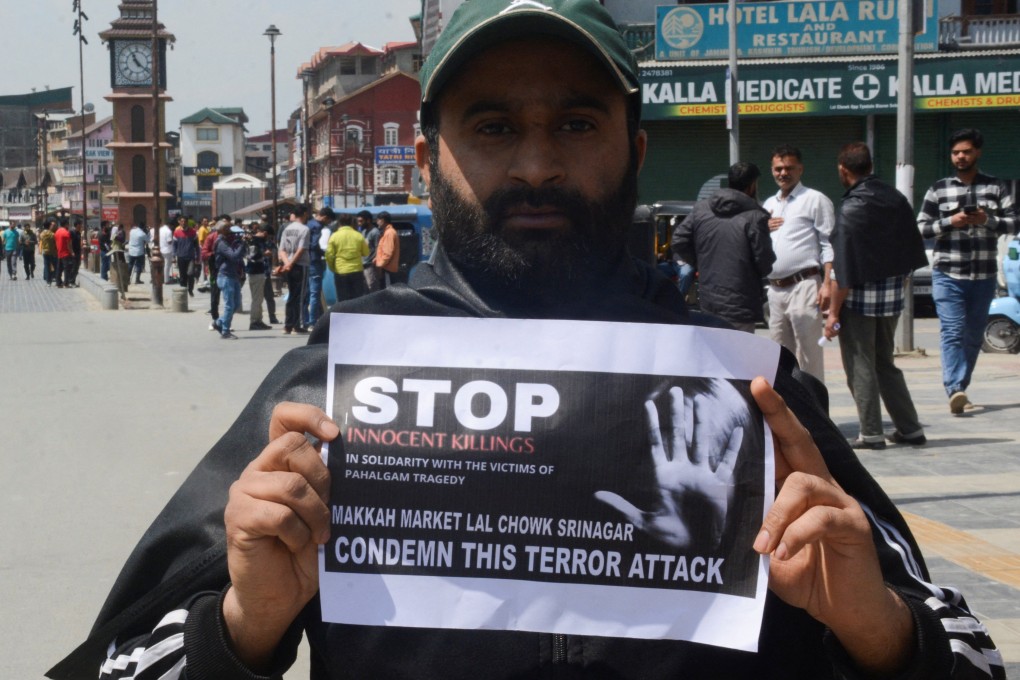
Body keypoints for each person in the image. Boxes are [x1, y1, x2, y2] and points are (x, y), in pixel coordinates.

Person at [52, 2, 1003, 679]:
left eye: (578, 123)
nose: (539, 163)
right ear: (429, 159)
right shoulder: (338, 386)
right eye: (495, 126)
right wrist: (241, 626)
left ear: (635, 147)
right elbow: (127, 654)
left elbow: (969, 651)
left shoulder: (744, 391)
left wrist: (879, 633)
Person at [824, 142, 929, 449]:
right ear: (869, 166)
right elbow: (911, 249)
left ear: (844, 170)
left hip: (858, 303)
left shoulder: (852, 209)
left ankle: (870, 432)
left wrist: (832, 313)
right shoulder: (896, 199)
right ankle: (910, 429)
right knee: (885, 363)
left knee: (860, 365)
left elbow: (842, 270)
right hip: (893, 299)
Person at [917, 128, 1018, 414]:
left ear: (977, 152)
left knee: (973, 335)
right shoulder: (938, 189)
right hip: (948, 272)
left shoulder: (995, 187)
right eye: (956, 152)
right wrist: (951, 222)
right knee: (952, 331)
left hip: (983, 274)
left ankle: (961, 384)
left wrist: (987, 219)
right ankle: (955, 388)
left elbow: (1013, 223)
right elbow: (921, 227)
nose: (961, 157)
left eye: (966, 151)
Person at [672, 162, 775, 333]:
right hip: (741, 306)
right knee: (740, 358)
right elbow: (764, 264)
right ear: (752, 186)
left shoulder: (701, 209)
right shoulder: (756, 217)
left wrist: (701, 262)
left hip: (709, 303)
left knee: (714, 357)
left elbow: (679, 240)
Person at [762, 145, 835, 383]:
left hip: (804, 286)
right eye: (778, 168)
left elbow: (828, 244)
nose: (783, 173)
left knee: (809, 356)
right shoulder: (768, 204)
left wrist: (827, 284)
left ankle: (815, 415)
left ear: (800, 169)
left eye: (789, 168)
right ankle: (789, 414)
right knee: (779, 356)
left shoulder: (814, 200)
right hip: (775, 290)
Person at [278, 204, 311, 334]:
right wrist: (291, 263)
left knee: (292, 295)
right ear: (303, 214)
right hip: (300, 265)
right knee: (300, 296)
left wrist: (287, 263)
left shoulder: (287, 229)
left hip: (289, 265)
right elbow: (301, 249)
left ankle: (288, 324)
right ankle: (299, 324)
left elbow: (282, 249)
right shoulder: (304, 229)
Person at [324, 212, 368, 302]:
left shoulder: (334, 236)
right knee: (357, 299)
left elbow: (329, 255)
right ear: (352, 223)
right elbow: (366, 252)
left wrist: (333, 268)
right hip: (357, 271)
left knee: (342, 299)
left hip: (341, 271)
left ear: (339, 223)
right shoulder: (358, 236)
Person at [212, 223, 245, 340]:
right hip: (225, 276)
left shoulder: (227, 240)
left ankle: (219, 322)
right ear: (221, 230)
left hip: (233, 275)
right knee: (229, 305)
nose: (229, 230)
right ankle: (225, 331)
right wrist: (241, 244)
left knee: (236, 304)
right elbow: (233, 256)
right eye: (227, 228)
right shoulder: (221, 243)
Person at [245, 221, 274, 331]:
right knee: (257, 299)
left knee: (259, 298)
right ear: (265, 233)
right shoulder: (254, 241)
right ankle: (254, 321)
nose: (269, 239)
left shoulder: (258, 240)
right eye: (269, 236)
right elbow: (251, 256)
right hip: (255, 272)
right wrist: (264, 254)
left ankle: (259, 320)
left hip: (259, 271)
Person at [304, 210, 327, 329]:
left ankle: (305, 319)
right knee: (314, 293)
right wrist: (323, 252)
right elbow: (314, 244)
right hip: (314, 261)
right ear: (325, 217)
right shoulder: (317, 226)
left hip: (305, 261)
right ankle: (312, 321)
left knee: (306, 293)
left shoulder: (308, 224)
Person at [172, 217, 199, 296]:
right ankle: (183, 290)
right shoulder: (176, 232)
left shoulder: (193, 232)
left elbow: (196, 246)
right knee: (182, 275)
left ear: (187, 222)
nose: (183, 222)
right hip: (181, 257)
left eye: (185, 221)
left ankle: (190, 289)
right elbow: (174, 246)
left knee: (190, 273)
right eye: (182, 221)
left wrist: (197, 256)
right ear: (179, 222)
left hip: (190, 257)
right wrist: (173, 256)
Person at [373, 210, 400, 288]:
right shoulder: (387, 232)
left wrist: (380, 265)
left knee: (387, 292)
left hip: (387, 270)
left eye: (378, 220)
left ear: (383, 220)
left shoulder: (389, 233)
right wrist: (377, 259)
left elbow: (388, 253)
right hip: (386, 268)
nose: (377, 222)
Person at [358, 209, 382, 291]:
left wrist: (376, 261)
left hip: (370, 265)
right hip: (362, 264)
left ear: (368, 220)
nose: (359, 223)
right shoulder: (364, 231)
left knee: (372, 287)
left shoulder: (375, 232)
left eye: (361, 221)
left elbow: (378, 247)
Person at [54, 219, 74, 288]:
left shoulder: (57, 232)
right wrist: (72, 252)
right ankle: (66, 283)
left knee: (59, 269)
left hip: (59, 252)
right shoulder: (66, 232)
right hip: (66, 253)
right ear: (66, 224)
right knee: (67, 269)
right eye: (68, 224)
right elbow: (69, 244)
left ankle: (58, 283)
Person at [39, 220, 57, 285]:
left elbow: (41, 241)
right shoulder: (52, 234)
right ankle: (54, 277)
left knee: (46, 266)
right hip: (52, 252)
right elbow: (55, 242)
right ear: (49, 226)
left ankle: (48, 281)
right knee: (54, 265)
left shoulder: (41, 234)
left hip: (45, 252)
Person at [159, 218, 176, 284]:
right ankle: (166, 280)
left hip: (160, 249)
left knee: (162, 265)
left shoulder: (160, 229)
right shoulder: (169, 231)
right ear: (170, 225)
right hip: (167, 250)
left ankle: (162, 278)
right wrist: (173, 241)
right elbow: (169, 241)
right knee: (167, 266)